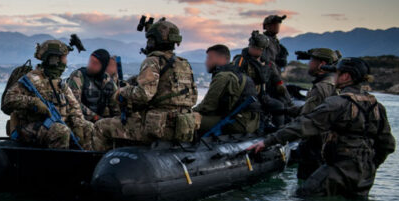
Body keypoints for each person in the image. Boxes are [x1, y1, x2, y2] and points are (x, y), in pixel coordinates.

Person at [248, 58, 395, 199]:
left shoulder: (337, 103)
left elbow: (302, 126)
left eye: (337, 73)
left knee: (303, 198)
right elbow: (388, 144)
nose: (334, 77)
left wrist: (267, 142)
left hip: (338, 168)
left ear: (346, 76)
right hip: (366, 172)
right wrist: (371, 165)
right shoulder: (377, 107)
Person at [92, 18, 198, 151]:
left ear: (154, 40)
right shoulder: (184, 64)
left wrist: (123, 91)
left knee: (101, 126)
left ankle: (98, 166)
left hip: (157, 128)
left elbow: (143, 94)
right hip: (180, 127)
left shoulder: (153, 61)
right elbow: (193, 98)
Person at [2, 39, 92, 149]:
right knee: (60, 131)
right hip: (29, 127)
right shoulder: (32, 79)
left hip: (55, 125)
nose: (66, 62)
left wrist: (79, 125)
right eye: (64, 58)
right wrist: (33, 102)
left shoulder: (59, 83)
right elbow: (8, 99)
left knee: (88, 127)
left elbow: (74, 109)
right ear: (54, 59)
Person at [292, 48, 342, 180]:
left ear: (321, 64)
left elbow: (306, 119)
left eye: (312, 60)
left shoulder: (321, 87)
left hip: (314, 148)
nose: (309, 63)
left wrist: (276, 137)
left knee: (305, 193)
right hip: (326, 148)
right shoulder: (333, 84)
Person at [194, 44, 260, 135]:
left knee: (188, 121)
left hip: (238, 123)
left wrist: (189, 112)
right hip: (252, 123)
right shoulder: (239, 73)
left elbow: (207, 107)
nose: (206, 62)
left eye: (209, 58)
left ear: (221, 59)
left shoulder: (223, 76)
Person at [233, 31, 291, 128]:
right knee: (258, 110)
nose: (255, 50)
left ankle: (279, 130)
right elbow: (236, 78)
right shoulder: (241, 61)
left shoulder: (266, 62)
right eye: (253, 48)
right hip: (247, 97)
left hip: (263, 96)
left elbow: (274, 74)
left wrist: (279, 84)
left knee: (279, 105)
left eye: (258, 49)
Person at [67, 48, 119, 122]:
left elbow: (116, 107)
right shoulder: (78, 76)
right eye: (90, 61)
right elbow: (74, 103)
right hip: (80, 120)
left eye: (95, 63)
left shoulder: (108, 82)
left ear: (103, 66)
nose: (91, 65)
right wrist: (95, 117)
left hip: (100, 122)